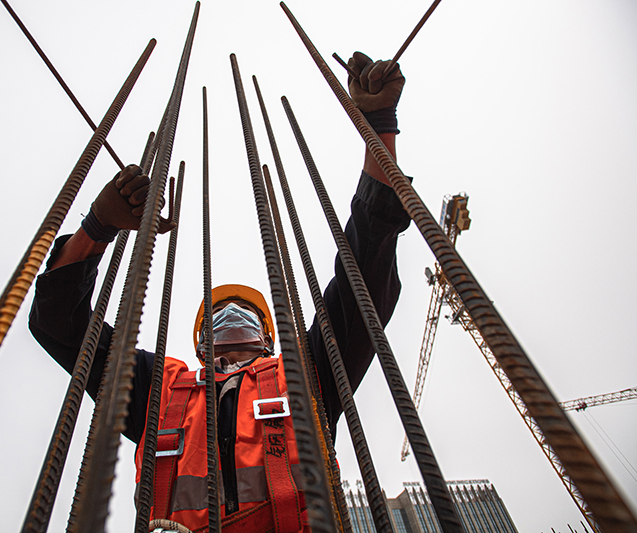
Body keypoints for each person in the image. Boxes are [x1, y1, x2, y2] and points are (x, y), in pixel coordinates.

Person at [29, 52, 410, 532]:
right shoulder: (156, 389)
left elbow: (365, 280)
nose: (231, 318)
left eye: (245, 315)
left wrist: (378, 129)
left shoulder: (308, 374)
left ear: (268, 337)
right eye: (219, 317)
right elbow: (58, 324)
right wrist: (97, 227)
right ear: (200, 343)